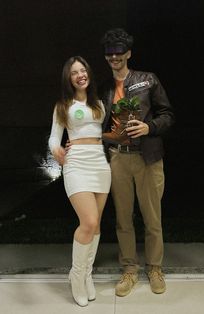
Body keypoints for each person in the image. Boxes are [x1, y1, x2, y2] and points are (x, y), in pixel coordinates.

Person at [100, 28, 175, 297]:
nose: (114, 57)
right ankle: (129, 270)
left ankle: (154, 268)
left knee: (152, 218)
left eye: (119, 52)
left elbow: (168, 114)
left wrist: (149, 127)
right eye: (110, 53)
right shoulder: (105, 87)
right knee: (123, 219)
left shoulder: (148, 80)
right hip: (118, 158)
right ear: (106, 56)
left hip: (148, 158)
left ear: (128, 53)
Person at [48, 56, 111, 307]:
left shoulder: (99, 104)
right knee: (89, 221)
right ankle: (76, 275)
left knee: (96, 227)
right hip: (76, 165)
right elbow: (54, 138)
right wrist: (56, 151)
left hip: (99, 163)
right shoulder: (63, 105)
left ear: (89, 74)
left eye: (83, 70)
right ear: (69, 78)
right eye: (74, 72)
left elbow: (98, 134)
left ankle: (87, 274)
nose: (80, 74)